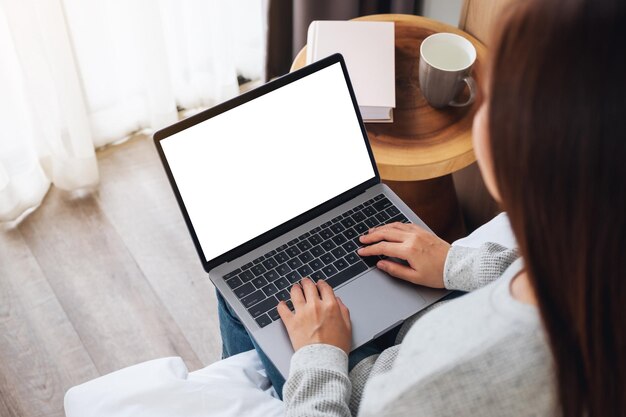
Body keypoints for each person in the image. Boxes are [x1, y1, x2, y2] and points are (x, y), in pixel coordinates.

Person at [221, 0, 626, 415]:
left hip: (355, 382)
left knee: (238, 290)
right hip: (423, 329)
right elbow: (529, 270)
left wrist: (320, 355)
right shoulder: (595, 263)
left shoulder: (439, 385)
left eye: (497, 95)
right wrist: (453, 263)